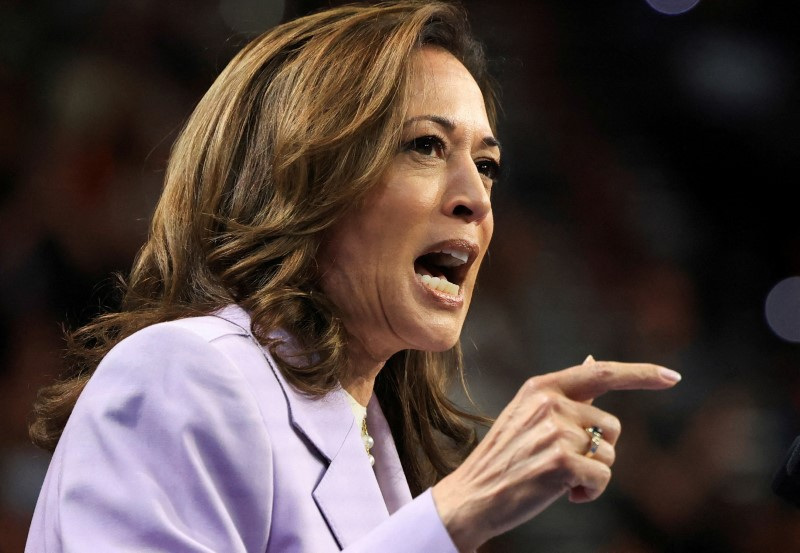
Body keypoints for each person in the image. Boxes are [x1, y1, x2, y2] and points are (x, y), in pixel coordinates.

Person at [25, 1, 681, 551]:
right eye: (426, 146)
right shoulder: (181, 373)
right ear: (302, 178)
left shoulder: (384, 448)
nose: (477, 199)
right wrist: (454, 514)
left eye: (487, 164)